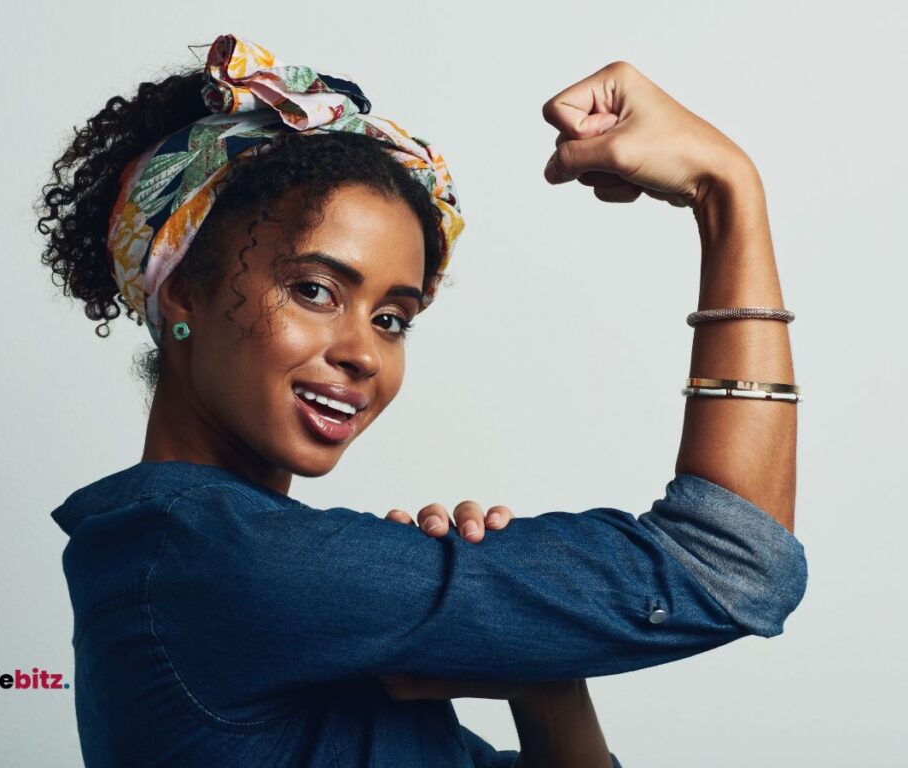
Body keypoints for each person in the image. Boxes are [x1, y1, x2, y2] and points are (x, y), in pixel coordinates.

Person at [39, 34, 807, 768]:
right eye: (315, 289)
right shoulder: (219, 559)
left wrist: (542, 672)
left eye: (392, 319)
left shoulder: (196, 563)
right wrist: (726, 190)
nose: (363, 353)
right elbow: (733, 562)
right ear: (183, 292)